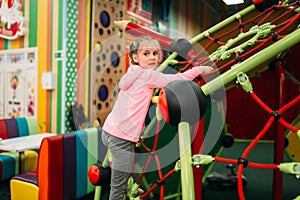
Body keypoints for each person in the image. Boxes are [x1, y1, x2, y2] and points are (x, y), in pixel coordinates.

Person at [101, 36, 213, 200]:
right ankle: (122, 186)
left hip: (109, 130)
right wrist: (199, 70)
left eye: (155, 53)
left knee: (124, 168)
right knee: (116, 192)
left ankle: (126, 184)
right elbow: (175, 81)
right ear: (135, 57)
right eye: (146, 53)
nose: (152, 57)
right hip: (121, 137)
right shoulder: (147, 75)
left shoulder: (132, 72)